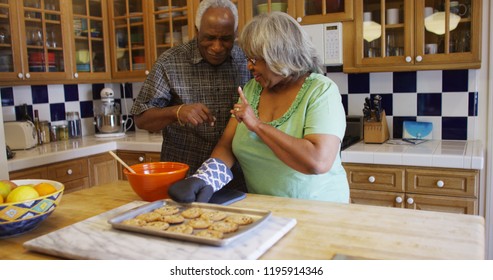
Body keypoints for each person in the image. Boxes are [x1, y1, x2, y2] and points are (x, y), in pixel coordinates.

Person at [168, 12, 350, 204]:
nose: (248, 66)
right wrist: (204, 179)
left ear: (278, 55)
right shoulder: (252, 90)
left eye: (255, 59)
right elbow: (227, 145)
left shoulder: (321, 91)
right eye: (248, 58)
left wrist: (257, 126)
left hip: (320, 211)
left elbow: (317, 162)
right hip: (265, 209)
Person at [130, 0, 251, 192]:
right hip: (183, 178)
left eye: (226, 38)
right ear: (196, 31)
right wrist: (176, 112)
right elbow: (141, 119)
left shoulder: (247, 62)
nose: (217, 47)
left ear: (236, 33)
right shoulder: (170, 62)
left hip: (237, 179)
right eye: (209, 37)